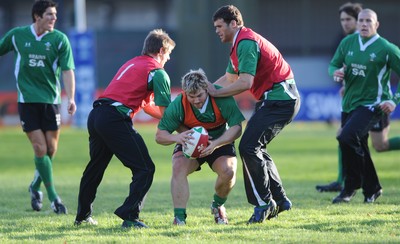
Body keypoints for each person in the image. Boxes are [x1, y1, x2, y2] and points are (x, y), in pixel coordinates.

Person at [74, 29, 175, 228]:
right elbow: (166, 112)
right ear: (162, 50)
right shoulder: (157, 72)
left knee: (95, 168)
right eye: (169, 53)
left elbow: (147, 106)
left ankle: (82, 216)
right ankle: (130, 215)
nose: (169, 58)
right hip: (114, 119)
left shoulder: (132, 63)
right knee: (145, 168)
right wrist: (187, 125)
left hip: (97, 115)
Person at [209, 5, 300, 224]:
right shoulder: (238, 45)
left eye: (219, 26)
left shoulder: (246, 41)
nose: (217, 31)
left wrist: (213, 91)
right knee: (255, 147)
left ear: (234, 23)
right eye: (215, 27)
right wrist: (206, 90)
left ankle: (263, 204)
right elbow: (229, 79)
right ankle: (280, 199)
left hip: (280, 99)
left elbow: (245, 82)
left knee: (248, 147)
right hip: (274, 99)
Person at [0, 0, 76, 214]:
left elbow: (68, 70)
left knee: (50, 150)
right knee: (40, 148)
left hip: (51, 102)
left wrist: (71, 98)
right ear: (37, 16)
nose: (54, 18)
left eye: (55, 14)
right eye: (50, 14)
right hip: (27, 102)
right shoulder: (17, 36)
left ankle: (34, 186)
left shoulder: (60, 40)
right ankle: (54, 199)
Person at [316, 3, 400, 193]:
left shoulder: (386, 48)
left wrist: (394, 100)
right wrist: (338, 75)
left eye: (350, 20)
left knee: (372, 142)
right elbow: (335, 66)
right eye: (342, 20)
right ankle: (355, 184)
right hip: (352, 104)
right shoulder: (347, 43)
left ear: (376, 24)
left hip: (375, 104)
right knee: (354, 139)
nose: (346, 24)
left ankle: (351, 184)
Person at [155, 68, 245, 225]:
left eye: (199, 95)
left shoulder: (221, 96)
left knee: (228, 172)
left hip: (219, 140)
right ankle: (179, 218)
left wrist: (216, 144)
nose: (196, 100)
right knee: (178, 167)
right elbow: (160, 135)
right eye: (191, 96)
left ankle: (218, 206)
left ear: (207, 90)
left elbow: (237, 127)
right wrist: (178, 137)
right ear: (185, 93)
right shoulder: (179, 104)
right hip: (190, 141)